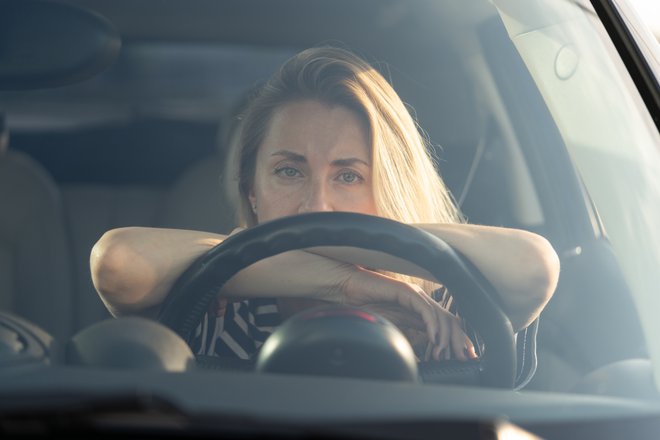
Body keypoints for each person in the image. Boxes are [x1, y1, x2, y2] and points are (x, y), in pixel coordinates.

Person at [90, 46, 559, 364]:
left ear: (388, 187)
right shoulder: (209, 303)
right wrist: (348, 286)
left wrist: (254, 252)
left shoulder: (441, 309)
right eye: (289, 171)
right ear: (252, 189)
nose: (316, 204)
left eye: (349, 175)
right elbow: (119, 263)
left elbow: (531, 265)